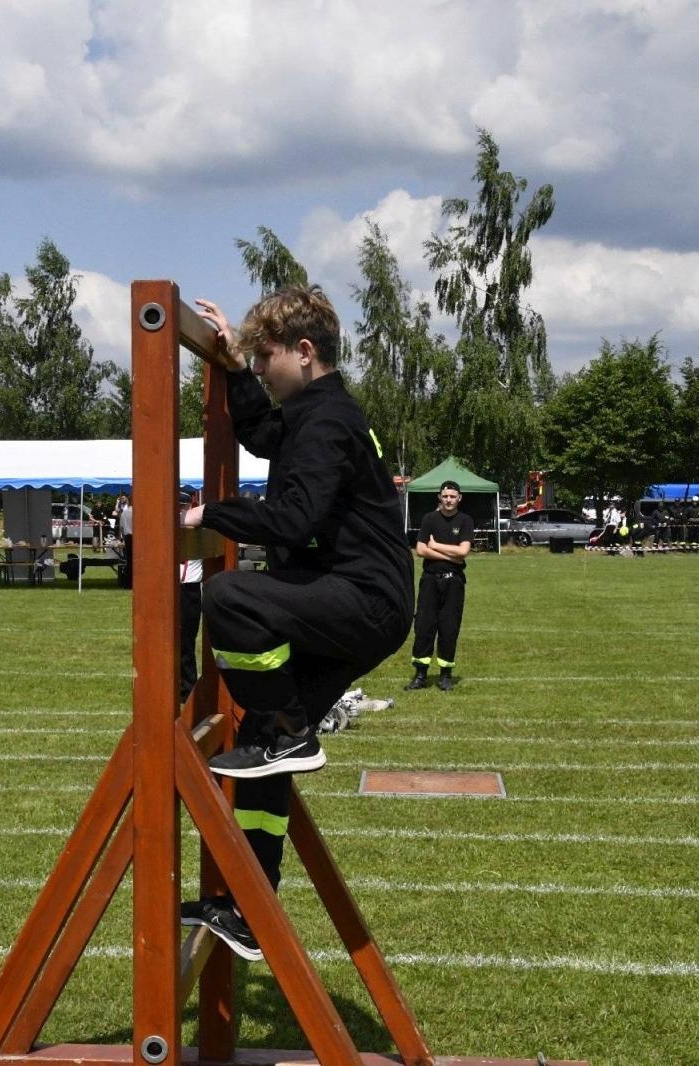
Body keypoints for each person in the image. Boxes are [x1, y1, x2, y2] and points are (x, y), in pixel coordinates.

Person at [179, 286, 413, 962]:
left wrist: (211, 513)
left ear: (304, 352)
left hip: (364, 598)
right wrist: (231, 370)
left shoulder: (329, 422)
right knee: (258, 746)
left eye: (265, 358)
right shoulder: (313, 413)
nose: (260, 369)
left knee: (230, 597)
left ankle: (289, 730)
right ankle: (250, 907)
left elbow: (292, 520)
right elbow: (261, 434)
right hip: (363, 600)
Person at [406, 480, 474, 691]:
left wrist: (435, 545)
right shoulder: (429, 519)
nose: (449, 500)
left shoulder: (465, 521)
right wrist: (450, 556)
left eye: (452, 496)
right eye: (445, 496)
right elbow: (421, 550)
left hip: (454, 582)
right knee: (424, 626)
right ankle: (420, 674)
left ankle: (445, 675)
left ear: (459, 498)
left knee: (449, 627)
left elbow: (463, 551)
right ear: (439, 497)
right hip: (430, 580)